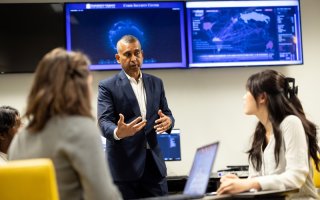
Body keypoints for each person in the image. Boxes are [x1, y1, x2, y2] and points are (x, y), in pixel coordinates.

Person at [8, 48, 122, 200]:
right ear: (79, 88)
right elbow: (104, 196)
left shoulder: (20, 139)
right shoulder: (81, 130)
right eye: (89, 85)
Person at [217, 69, 320, 199]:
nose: (244, 97)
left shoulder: (291, 123)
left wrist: (249, 183)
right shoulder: (259, 133)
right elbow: (256, 182)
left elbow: (296, 178)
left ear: (262, 97)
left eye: (248, 92)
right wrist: (239, 182)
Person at [97, 35, 175, 199]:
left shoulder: (157, 83)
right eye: (127, 54)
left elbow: (166, 113)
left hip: (154, 168)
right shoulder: (107, 86)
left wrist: (169, 121)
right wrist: (118, 132)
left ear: (142, 55)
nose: (134, 59)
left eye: (137, 53)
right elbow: (104, 122)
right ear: (118, 58)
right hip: (124, 170)